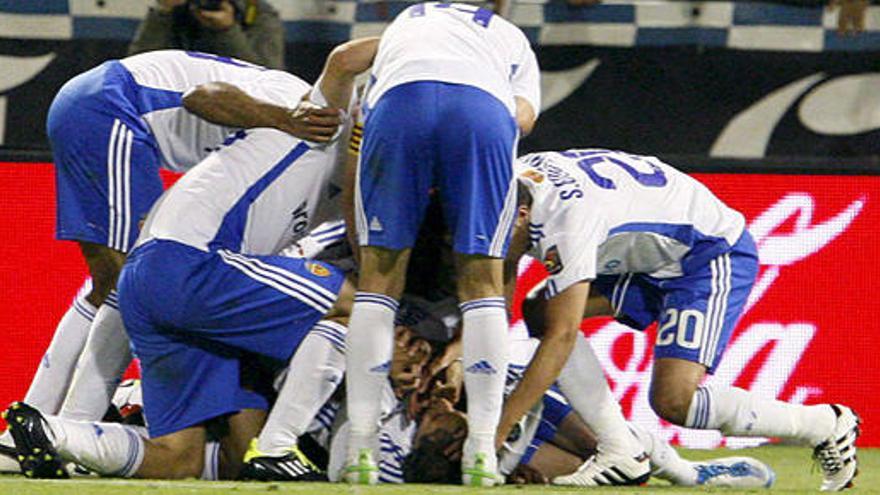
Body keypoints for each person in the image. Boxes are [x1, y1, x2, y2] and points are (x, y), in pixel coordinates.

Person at [3, 38, 377, 481]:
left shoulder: (318, 168)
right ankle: (52, 424)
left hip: (113, 123)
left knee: (114, 291)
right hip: (112, 103)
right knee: (122, 287)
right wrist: (286, 117)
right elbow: (201, 96)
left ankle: (52, 429)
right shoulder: (302, 109)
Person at [504, 149, 860, 491]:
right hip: (647, 252)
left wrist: (494, 432)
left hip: (705, 253)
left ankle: (824, 423)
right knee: (542, 310)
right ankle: (621, 450)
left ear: (521, 213)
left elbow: (562, 336)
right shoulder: (512, 185)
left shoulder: (565, 219)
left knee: (674, 401)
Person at [342, 2, 540, 485]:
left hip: (398, 104)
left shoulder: (408, 18)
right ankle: (481, 452)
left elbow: (366, 101)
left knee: (379, 278)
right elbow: (523, 118)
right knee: (482, 281)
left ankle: (360, 447)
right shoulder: (509, 33)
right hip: (482, 109)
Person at [129, 0, 284, 69]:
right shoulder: (176, 11)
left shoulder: (256, 13)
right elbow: (138, 69)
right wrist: (162, 12)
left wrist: (227, 31)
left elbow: (269, 78)